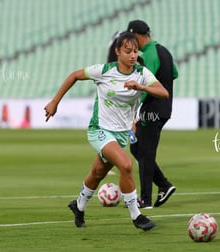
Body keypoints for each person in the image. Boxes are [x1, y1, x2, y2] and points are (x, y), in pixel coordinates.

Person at [44, 31, 168, 231]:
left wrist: (141, 87)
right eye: (128, 51)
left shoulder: (141, 74)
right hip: (99, 130)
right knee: (126, 165)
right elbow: (75, 75)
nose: (132, 55)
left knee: (98, 172)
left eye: (135, 51)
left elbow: (163, 92)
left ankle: (79, 206)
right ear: (118, 51)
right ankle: (137, 216)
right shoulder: (104, 71)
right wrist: (54, 102)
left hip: (120, 135)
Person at [127, 20, 178, 209]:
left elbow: (146, 81)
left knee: (145, 152)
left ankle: (145, 200)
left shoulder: (149, 54)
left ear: (136, 36)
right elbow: (174, 73)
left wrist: (135, 113)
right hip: (164, 108)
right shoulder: (164, 51)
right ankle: (164, 185)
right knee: (137, 148)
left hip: (152, 109)